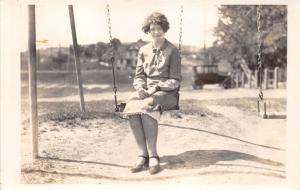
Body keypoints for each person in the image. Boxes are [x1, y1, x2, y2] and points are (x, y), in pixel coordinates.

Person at [122, 12, 181, 175]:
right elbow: (139, 75)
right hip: (147, 91)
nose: (156, 32)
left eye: (159, 28)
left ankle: (154, 155)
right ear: (148, 31)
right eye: (152, 29)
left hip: (167, 93)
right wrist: (140, 87)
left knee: (148, 105)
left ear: (165, 29)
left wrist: (156, 88)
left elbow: (175, 80)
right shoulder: (143, 50)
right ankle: (143, 154)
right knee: (131, 105)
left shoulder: (172, 51)